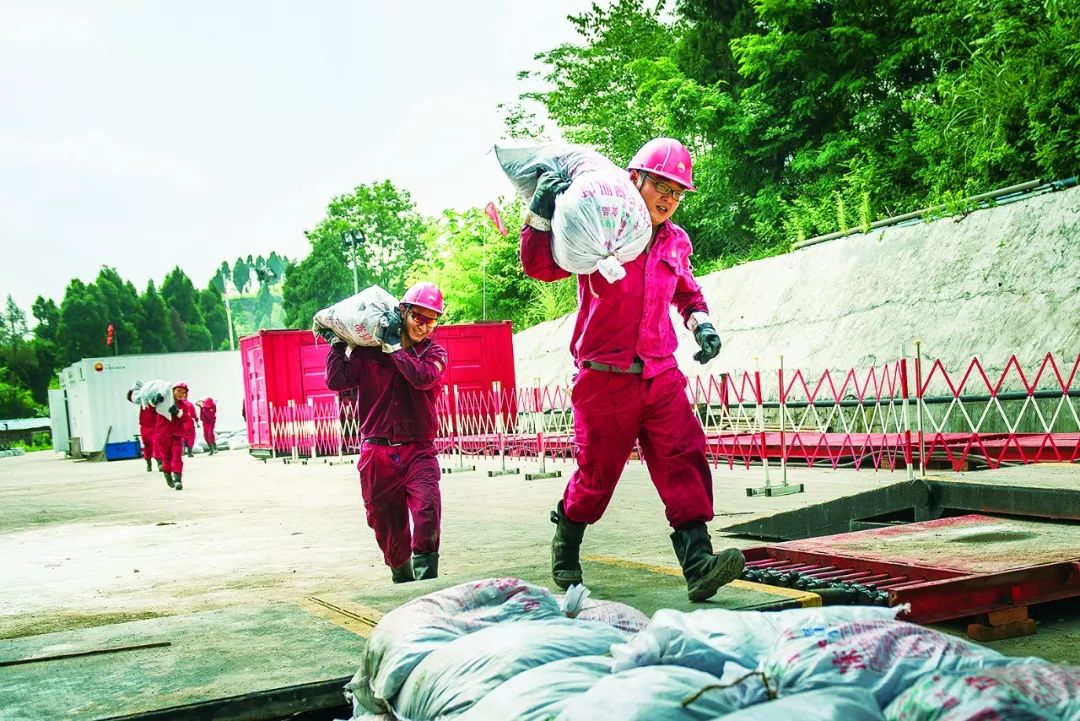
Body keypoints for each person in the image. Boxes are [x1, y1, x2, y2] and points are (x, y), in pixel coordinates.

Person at [519, 137, 744, 602]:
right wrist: (540, 213)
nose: (669, 198)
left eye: (678, 192)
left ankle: (699, 562)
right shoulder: (603, 227)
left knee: (684, 456)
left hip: (660, 374)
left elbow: (687, 291)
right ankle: (568, 533)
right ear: (634, 179)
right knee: (597, 475)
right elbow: (540, 267)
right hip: (604, 377)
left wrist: (702, 325)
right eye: (661, 185)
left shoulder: (676, 240)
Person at [324, 282, 448, 584]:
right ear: (402, 312)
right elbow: (337, 380)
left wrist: (394, 348)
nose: (425, 326)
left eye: (432, 320)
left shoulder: (434, 353)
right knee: (385, 522)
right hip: (377, 452)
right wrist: (337, 344)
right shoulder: (369, 354)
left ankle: (427, 577)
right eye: (419, 317)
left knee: (427, 510)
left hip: (419, 450)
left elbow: (421, 379)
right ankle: (401, 573)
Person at [161, 381, 197, 490]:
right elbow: (153, 411)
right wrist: (154, 402)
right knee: (166, 459)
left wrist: (178, 412)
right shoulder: (163, 402)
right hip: (163, 436)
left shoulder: (184, 406)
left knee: (177, 457)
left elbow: (187, 419)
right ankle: (168, 476)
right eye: (178, 391)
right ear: (172, 391)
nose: (181, 394)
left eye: (183, 392)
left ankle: (177, 480)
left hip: (176, 436)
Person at [126, 381, 159, 472]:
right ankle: (148, 463)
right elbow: (130, 398)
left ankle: (160, 462)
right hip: (145, 425)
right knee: (147, 445)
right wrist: (131, 390)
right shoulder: (142, 399)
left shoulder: (159, 399)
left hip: (156, 425)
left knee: (157, 443)